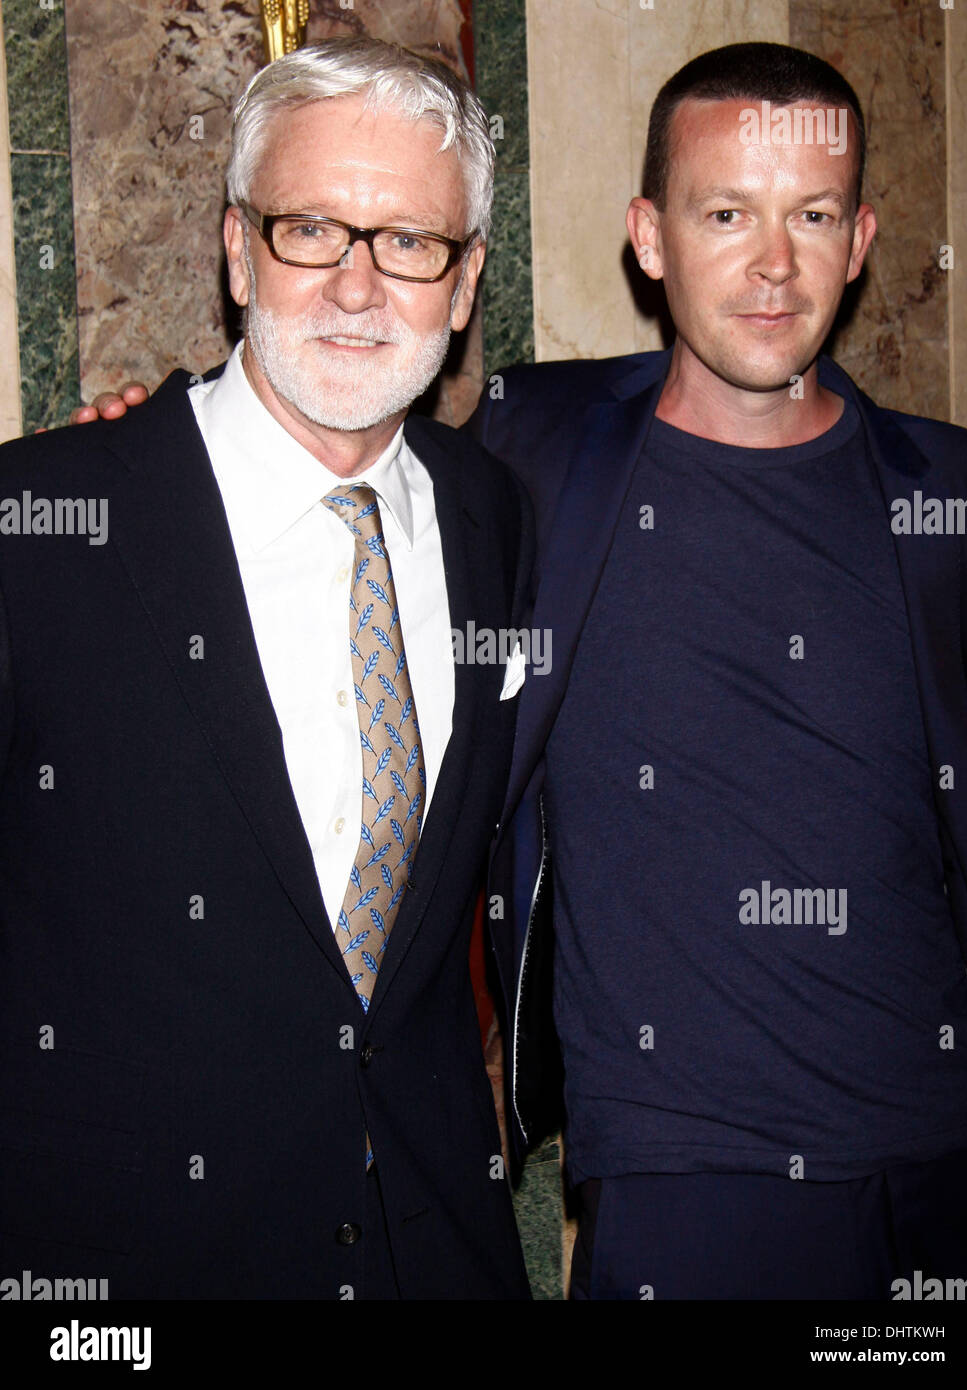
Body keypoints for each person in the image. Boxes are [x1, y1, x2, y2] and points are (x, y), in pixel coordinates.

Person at [0, 37, 534, 1300]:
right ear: (237, 249)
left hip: (434, 1250)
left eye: (408, 242)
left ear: (462, 288)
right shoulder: (43, 527)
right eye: (311, 230)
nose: (357, 287)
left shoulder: (496, 517)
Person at [472, 41, 967, 1299]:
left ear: (861, 237)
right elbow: (310, 435)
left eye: (810, 215)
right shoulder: (522, 456)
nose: (774, 265)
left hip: (957, 1161)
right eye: (725, 214)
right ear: (648, 237)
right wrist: (148, 423)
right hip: (685, 1180)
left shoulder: (959, 497)